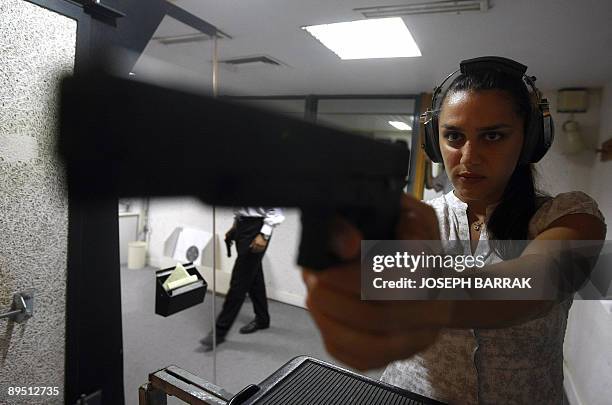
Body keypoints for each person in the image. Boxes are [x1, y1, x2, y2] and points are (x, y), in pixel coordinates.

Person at [302, 57, 606, 404]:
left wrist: (415, 291)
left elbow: (537, 282)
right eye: (454, 136)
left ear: (528, 140)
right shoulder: (417, 219)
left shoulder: (572, 214)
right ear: (436, 141)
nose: (469, 156)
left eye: (493, 136)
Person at [201, 207, 284, 350]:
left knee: (239, 281)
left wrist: (264, 234)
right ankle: (262, 319)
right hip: (242, 225)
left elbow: (276, 208)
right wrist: (235, 226)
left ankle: (219, 332)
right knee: (254, 275)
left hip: (257, 228)